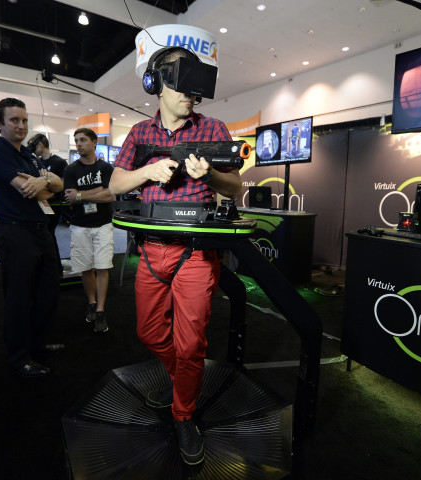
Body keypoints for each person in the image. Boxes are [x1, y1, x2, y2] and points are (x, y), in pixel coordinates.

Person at [109, 46, 242, 466]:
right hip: (150, 252)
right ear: (156, 85)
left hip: (197, 255)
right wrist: (147, 172)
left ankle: (184, 411)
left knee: (191, 344)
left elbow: (234, 188)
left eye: (194, 86)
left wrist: (213, 175)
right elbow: (115, 184)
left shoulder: (213, 128)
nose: (190, 94)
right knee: (150, 332)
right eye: (180, 83)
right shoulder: (139, 134)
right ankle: (180, 378)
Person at [0, 97, 65, 378]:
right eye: (14, 120)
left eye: (24, 120)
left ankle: (37, 343)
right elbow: (30, 190)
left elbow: (59, 184)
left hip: (41, 231)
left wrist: (45, 182)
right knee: (19, 298)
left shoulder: (28, 155)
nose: (21, 125)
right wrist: (44, 183)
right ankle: (18, 357)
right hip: (15, 231)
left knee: (48, 292)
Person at [63, 128, 115, 334]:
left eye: (83, 140)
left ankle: (101, 310)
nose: (78, 144)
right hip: (79, 225)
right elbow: (69, 197)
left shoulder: (106, 167)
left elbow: (110, 195)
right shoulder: (70, 170)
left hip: (103, 224)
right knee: (86, 268)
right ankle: (92, 303)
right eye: (76, 140)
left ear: (94, 142)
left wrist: (81, 195)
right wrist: (97, 192)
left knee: (102, 267)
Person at [27, 133, 68, 275]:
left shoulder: (59, 162)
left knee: (49, 234)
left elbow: (61, 184)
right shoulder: (36, 162)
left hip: (55, 205)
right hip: (40, 204)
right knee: (42, 235)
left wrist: (48, 188)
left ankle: (56, 268)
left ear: (40, 145)